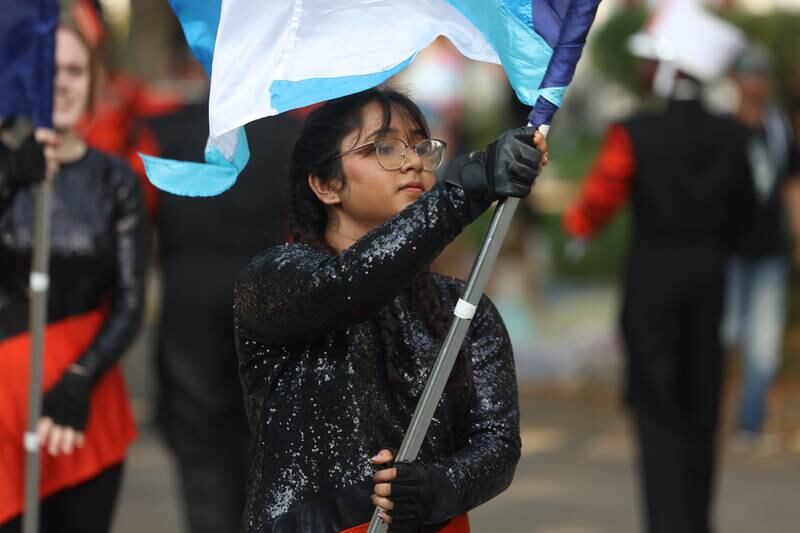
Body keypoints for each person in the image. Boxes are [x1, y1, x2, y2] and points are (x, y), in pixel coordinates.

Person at [233, 87, 545, 532]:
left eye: (421, 146)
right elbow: (347, 286)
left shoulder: (464, 305)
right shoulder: (274, 278)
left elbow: (497, 443)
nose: (414, 160)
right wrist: (466, 191)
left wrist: (438, 486)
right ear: (326, 184)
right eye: (384, 148)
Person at [563, 3, 753, 532]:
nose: (644, 71)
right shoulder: (737, 136)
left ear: (670, 68)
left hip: (652, 284)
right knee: (701, 409)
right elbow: (750, 218)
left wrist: (580, 228)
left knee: (657, 414)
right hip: (711, 281)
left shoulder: (636, 131)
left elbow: (604, 191)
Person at [148, 43, 306, 532]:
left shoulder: (165, 130)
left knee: (199, 453)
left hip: (188, 307)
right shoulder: (289, 134)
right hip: (265, 307)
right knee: (262, 447)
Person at [0, 20, 147, 533]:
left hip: (84, 392)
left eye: (75, 70)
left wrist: (82, 378)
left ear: (91, 80)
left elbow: (132, 301)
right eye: (48, 69)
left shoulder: (114, 180)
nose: (61, 82)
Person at [722, 44, 800, 446]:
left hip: (769, 249)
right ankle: (705, 418)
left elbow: (791, 181)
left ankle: (749, 425)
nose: (757, 82)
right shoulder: (722, 124)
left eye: (762, 74)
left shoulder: (778, 125)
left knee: (764, 343)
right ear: (736, 79)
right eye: (749, 73)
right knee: (723, 335)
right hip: (727, 249)